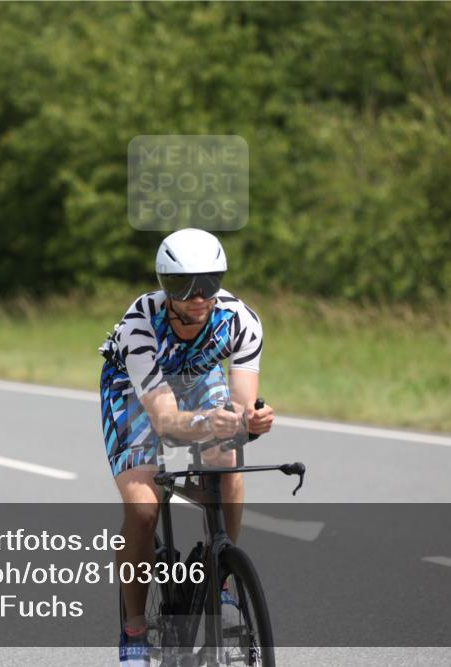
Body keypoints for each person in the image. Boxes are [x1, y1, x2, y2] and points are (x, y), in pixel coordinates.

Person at [98, 228, 274, 665]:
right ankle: (134, 631)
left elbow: (241, 399)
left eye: (209, 284)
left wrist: (250, 419)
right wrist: (203, 423)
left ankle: (224, 581)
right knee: (143, 508)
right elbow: (165, 421)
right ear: (164, 286)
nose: (198, 296)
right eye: (183, 286)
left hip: (199, 379)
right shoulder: (139, 322)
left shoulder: (240, 319)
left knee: (228, 455)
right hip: (134, 390)